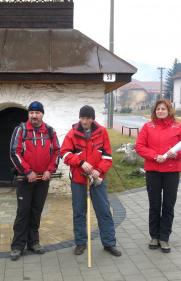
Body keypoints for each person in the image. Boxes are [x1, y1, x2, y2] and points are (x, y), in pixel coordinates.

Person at [60, 105, 122, 257]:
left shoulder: (102, 132)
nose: (85, 121)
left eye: (88, 118)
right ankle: (81, 242)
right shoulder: (72, 133)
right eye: (82, 118)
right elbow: (64, 154)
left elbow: (107, 157)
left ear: (92, 119)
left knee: (104, 210)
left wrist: (98, 171)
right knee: (79, 212)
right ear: (79, 118)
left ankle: (109, 243)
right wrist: (80, 162)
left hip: (97, 178)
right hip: (78, 179)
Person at [135, 98, 181, 253]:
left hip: (172, 172)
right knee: (154, 205)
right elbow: (139, 147)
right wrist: (155, 156)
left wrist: (176, 154)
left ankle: (164, 238)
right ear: (155, 111)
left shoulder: (178, 127)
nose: (160, 111)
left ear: (169, 111)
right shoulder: (148, 126)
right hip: (153, 170)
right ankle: (154, 236)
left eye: (163, 109)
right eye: (158, 109)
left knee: (168, 205)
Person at [9, 101, 60, 261]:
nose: (34, 115)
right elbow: (14, 152)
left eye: (37, 113)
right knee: (23, 211)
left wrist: (50, 170)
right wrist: (28, 171)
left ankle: (33, 242)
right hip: (25, 179)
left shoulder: (50, 131)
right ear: (28, 114)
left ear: (42, 114)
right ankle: (17, 246)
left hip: (42, 179)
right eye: (31, 113)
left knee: (36, 211)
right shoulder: (20, 130)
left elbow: (56, 152)